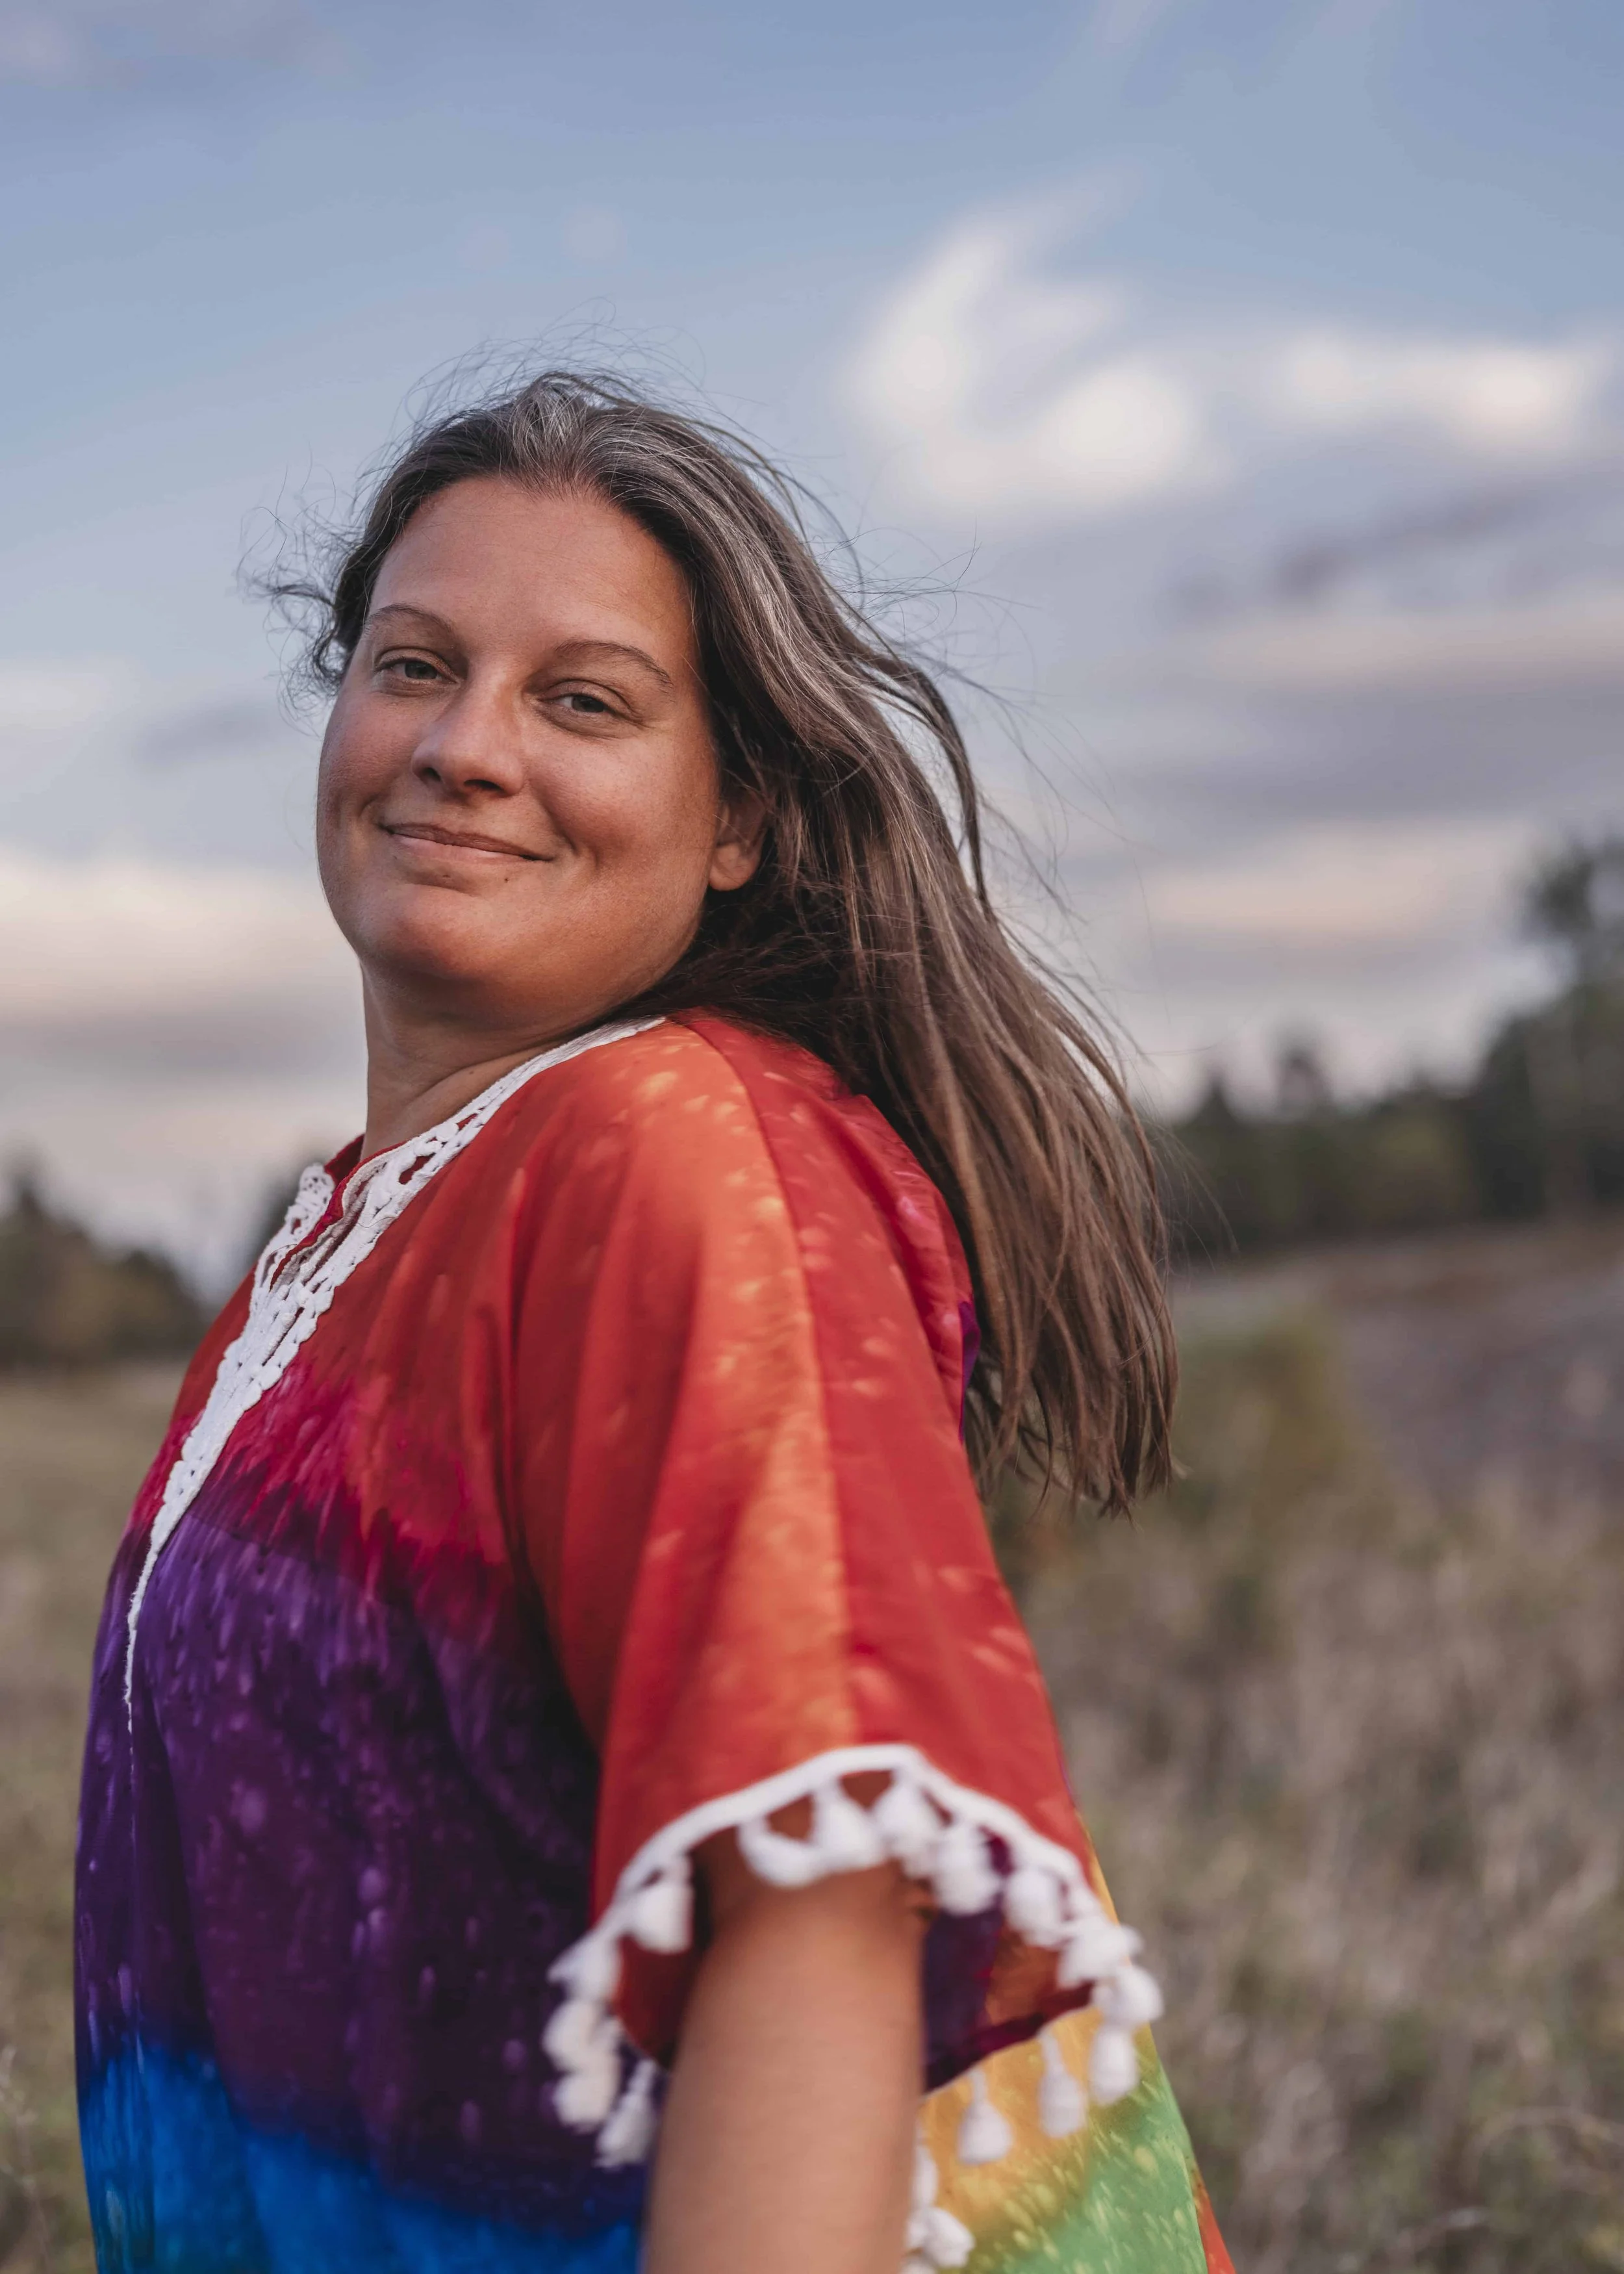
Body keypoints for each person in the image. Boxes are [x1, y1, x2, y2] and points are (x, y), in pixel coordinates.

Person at [75, 372, 1232, 2274]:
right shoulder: (340, 1245)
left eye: (583, 700)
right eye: (412, 665)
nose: (462, 744)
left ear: (736, 825)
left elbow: (812, 1892)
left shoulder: (669, 1146)